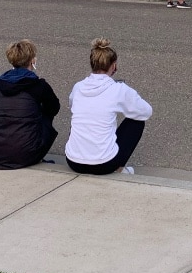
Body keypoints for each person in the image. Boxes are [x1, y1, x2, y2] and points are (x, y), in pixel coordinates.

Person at [64, 38, 152, 175]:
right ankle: (119, 167)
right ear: (114, 66)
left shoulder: (78, 87)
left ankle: (82, 151)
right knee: (137, 121)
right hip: (104, 164)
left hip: (74, 162)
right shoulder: (119, 89)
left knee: (81, 116)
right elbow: (146, 111)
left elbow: (71, 105)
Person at [0, 40, 60, 170]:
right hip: (24, 153)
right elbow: (54, 108)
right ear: (32, 60)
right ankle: (33, 143)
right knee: (46, 113)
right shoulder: (39, 85)